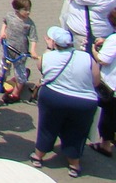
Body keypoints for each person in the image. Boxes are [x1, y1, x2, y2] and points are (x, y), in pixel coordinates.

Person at [29, 26, 101, 177]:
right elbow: (96, 81)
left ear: (54, 42)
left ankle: (38, 156)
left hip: (53, 98)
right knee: (78, 131)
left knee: (48, 126)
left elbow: (41, 67)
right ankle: (74, 164)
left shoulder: (47, 57)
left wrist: (48, 48)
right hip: (84, 103)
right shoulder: (86, 57)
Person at [0, 0, 39, 103]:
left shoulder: (29, 24)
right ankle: (1, 83)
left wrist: (33, 50)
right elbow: (5, 22)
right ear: (17, 9)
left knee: (19, 73)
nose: (28, 12)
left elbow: (33, 38)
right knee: (4, 68)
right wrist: (2, 32)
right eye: (25, 10)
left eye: (29, 9)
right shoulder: (10, 16)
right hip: (8, 49)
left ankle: (15, 94)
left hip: (20, 53)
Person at [90, 7, 116, 159]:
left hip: (111, 86)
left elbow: (103, 60)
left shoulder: (114, 40)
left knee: (106, 115)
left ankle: (105, 145)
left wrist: (94, 50)